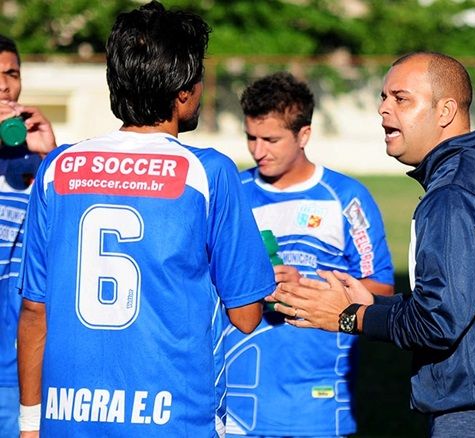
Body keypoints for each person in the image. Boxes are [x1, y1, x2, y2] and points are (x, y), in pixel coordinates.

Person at [272, 52, 475, 437]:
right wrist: (375, 304)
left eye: (401, 99)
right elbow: (472, 305)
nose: (383, 110)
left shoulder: (453, 193)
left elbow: (439, 322)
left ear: (445, 110)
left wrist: (350, 317)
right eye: (383, 97)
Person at [16, 2, 275, 437]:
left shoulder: (58, 167)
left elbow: (34, 309)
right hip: (173, 416)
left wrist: (29, 423)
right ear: (185, 91)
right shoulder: (208, 172)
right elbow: (246, 314)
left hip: (68, 416)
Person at [223, 72, 395, 437]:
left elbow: (381, 292)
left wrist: (306, 287)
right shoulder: (232, 194)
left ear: (304, 135)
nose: (258, 151)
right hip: (236, 394)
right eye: (250, 138)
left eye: (271, 139)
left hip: (317, 395)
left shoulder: (346, 198)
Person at [0, 34, 56, 438]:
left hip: (15, 373)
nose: (5, 85)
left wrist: (49, 156)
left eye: (12, 74)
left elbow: (66, 236)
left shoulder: (34, 158)